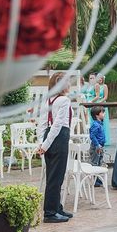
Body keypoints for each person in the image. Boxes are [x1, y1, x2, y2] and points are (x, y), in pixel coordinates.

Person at [37, 72, 72, 223]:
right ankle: (50, 213)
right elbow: (57, 125)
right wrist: (45, 145)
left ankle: (57, 207)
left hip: (48, 136)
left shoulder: (48, 100)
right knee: (56, 177)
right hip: (58, 138)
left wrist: (41, 143)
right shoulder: (64, 100)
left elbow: (42, 124)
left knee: (53, 174)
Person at [89, 106, 106, 187]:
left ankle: (97, 178)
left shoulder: (100, 124)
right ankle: (94, 179)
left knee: (99, 162)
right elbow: (92, 136)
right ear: (97, 115)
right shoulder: (95, 125)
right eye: (102, 112)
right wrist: (97, 145)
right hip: (96, 147)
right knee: (95, 162)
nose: (104, 114)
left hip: (100, 146)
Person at [93, 73, 111, 145]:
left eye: (101, 78)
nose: (100, 80)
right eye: (98, 78)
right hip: (96, 103)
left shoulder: (104, 86)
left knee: (103, 121)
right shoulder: (96, 86)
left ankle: (104, 139)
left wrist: (100, 102)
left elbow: (105, 97)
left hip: (102, 103)